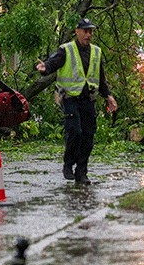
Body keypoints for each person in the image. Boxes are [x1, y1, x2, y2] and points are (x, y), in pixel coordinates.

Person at [36, 17, 117, 186]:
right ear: (77, 31)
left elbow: (101, 78)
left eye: (91, 31)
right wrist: (44, 69)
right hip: (70, 98)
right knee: (75, 131)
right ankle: (68, 164)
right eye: (85, 31)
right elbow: (53, 63)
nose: (88, 35)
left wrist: (108, 96)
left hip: (88, 99)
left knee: (88, 136)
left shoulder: (96, 51)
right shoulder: (66, 49)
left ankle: (81, 172)